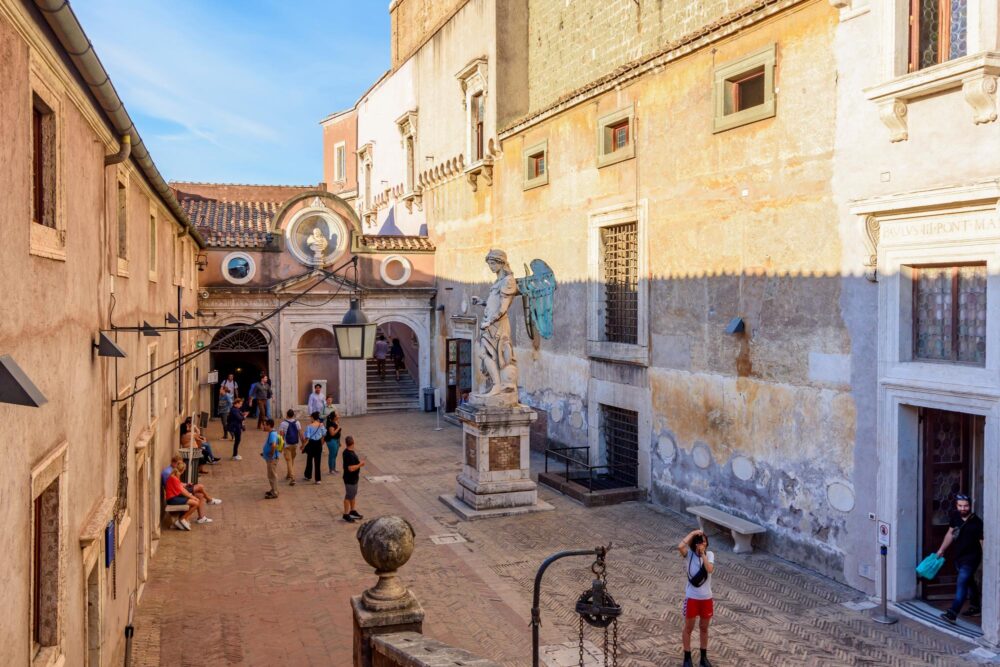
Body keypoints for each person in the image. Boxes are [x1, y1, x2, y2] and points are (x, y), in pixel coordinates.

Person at [938, 494, 984, 623]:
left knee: (962, 583)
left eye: (966, 506)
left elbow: (982, 542)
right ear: (956, 506)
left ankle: (952, 613)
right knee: (969, 582)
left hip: (972, 558)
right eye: (960, 506)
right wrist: (941, 550)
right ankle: (975, 608)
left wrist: (987, 561)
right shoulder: (955, 517)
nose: (963, 508)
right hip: (958, 556)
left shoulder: (977, 522)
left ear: (970, 506)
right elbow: (950, 533)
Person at [678, 529, 714, 667]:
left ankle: (703, 658)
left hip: (706, 598)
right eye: (699, 542)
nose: (702, 544)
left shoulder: (710, 554)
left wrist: (703, 554)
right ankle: (687, 658)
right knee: (688, 628)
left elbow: (709, 569)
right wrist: (693, 534)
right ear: (694, 543)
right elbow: (680, 546)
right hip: (692, 598)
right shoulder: (688, 556)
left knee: (704, 628)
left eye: (704, 541)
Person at [163, 462, 201, 530]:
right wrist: (193, 497)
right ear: (182, 470)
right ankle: (182, 519)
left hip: (173, 498)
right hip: (172, 499)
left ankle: (184, 519)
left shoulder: (174, 477)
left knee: (194, 501)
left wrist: (191, 496)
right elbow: (182, 491)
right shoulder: (174, 478)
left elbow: (182, 489)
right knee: (196, 503)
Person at [341, 436, 365, 523]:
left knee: (353, 495)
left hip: (353, 478)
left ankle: (352, 511)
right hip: (350, 479)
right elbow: (350, 468)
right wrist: (360, 465)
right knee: (348, 496)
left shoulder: (346, 451)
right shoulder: (349, 454)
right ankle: (346, 514)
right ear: (353, 443)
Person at [278, 409, 302, 486]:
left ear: (287, 415)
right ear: (293, 415)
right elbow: (300, 433)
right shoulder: (297, 422)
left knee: (288, 461)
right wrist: (303, 443)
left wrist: (280, 447)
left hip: (287, 445)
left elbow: (281, 436)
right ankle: (289, 474)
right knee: (291, 460)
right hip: (295, 444)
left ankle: (292, 477)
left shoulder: (283, 423)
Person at [301, 412, 325, 484]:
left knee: (309, 460)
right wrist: (322, 443)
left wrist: (303, 445)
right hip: (318, 444)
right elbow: (324, 435)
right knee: (318, 462)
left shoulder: (309, 426)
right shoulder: (321, 425)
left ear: (312, 417)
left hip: (311, 444)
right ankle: (318, 479)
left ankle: (308, 476)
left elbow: (307, 437)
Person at [261, 419, 281, 499]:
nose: (264, 426)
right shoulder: (272, 433)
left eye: (265, 425)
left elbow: (273, 445)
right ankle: (273, 489)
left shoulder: (272, 434)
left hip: (272, 459)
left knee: (272, 475)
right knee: (271, 474)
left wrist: (271, 454)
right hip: (271, 458)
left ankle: (275, 492)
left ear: (269, 425)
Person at [325, 410, 342, 474]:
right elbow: (332, 433)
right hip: (332, 441)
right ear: (334, 417)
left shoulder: (336, 422)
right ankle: (331, 470)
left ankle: (334, 468)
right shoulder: (331, 424)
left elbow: (339, 433)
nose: (338, 415)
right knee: (332, 455)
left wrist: (339, 441)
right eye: (337, 414)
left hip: (336, 440)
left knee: (335, 455)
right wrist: (338, 428)